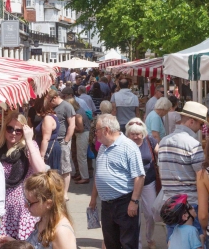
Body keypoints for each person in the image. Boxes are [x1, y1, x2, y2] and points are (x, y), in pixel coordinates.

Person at [88, 114, 145, 249]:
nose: (95, 133)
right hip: (107, 205)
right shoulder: (102, 147)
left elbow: (139, 176)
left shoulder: (128, 147)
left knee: (127, 244)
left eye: (97, 130)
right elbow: (99, 174)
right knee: (110, 243)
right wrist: (93, 198)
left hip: (124, 203)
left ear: (106, 129)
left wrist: (134, 201)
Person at [0, 111, 48, 240]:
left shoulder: (28, 147)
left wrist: (29, 139)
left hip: (22, 210)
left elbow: (41, 171)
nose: (13, 133)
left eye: (18, 131)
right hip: (1, 208)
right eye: (10, 128)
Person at [158, 101, 208, 240]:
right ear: (192, 121)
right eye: (200, 124)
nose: (200, 128)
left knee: (174, 242)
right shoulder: (193, 145)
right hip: (189, 204)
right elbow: (201, 176)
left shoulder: (163, 142)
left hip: (169, 203)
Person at [0, 170, 77, 249]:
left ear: (48, 204)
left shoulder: (61, 232)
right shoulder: (45, 219)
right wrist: (14, 243)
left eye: (30, 203)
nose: (26, 205)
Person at [124, 118, 159, 249]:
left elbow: (160, 153)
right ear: (128, 134)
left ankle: (150, 238)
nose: (135, 137)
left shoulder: (150, 141)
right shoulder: (124, 144)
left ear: (143, 133)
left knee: (151, 213)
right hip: (130, 184)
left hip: (148, 182)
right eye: (132, 134)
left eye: (138, 134)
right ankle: (137, 244)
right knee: (134, 215)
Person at [50, 89, 76, 201]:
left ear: (55, 98)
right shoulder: (51, 107)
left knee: (65, 167)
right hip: (53, 141)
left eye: (50, 101)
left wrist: (66, 140)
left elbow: (72, 124)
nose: (49, 104)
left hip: (62, 141)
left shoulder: (67, 106)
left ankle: (65, 193)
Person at [65, 98, 92, 185]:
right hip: (83, 134)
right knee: (80, 156)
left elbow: (80, 129)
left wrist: (71, 126)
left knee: (81, 157)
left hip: (83, 135)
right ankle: (82, 175)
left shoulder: (78, 114)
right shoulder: (79, 111)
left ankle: (85, 177)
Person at [34, 92, 61, 170]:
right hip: (50, 148)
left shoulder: (48, 118)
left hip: (48, 149)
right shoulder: (52, 116)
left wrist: (41, 156)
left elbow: (46, 139)